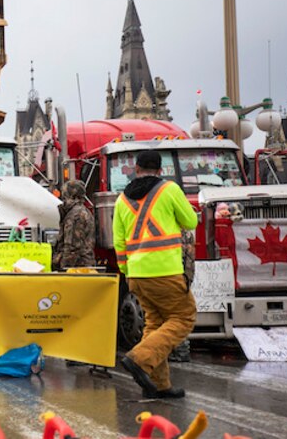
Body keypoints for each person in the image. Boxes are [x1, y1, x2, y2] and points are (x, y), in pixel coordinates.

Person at [113, 151, 198, 399]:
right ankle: (139, 359)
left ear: (136, 169)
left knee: (156, 323)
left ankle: (160, 384)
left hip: (137, 274)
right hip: (165, 270)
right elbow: (191, 221)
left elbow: (119, 242)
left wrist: (127, 272)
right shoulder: (169, 190)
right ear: (161, 170)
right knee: (184, 317)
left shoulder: (122, 200)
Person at [53, 180, 94, 270]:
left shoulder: (75, 216)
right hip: (82, 266)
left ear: (72, 196)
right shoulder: (81, 211)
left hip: (77, 268)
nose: (62, 200)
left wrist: (64, 268)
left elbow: (72, 247)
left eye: (65, 196)